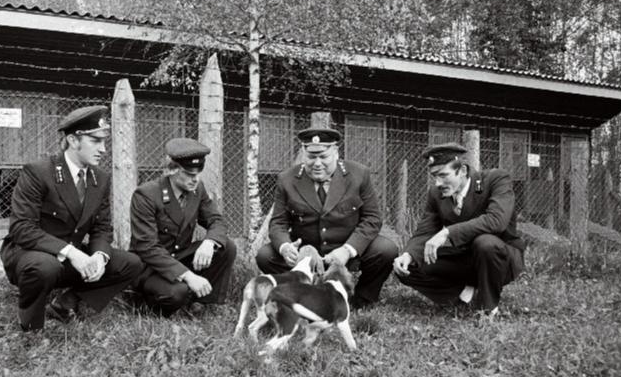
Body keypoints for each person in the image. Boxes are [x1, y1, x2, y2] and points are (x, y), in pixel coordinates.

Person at [1, 105, 144, 332]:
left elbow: (102, 228)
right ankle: (31, 328)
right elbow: (21, 229)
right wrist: (73, 253)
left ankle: (66, 303)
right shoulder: (38, 172)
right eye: (96, 142)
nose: (104, 149)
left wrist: (99, 256)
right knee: (44, 267)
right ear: (73, 141)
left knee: (131, 263)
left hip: (70, 260)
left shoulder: (100, 178)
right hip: (31, 255)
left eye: (104, 142)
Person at [255, 128, 398, 309]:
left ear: (336, 153)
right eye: (311, 157)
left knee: (386, 250)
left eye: (323, 156)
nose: (317, 163)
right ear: (303, 154)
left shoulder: (359, 174)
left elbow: (372, 218)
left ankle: (360, 300)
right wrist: (285, 248)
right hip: (306, 252)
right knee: (265, 256)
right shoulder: (287, 179)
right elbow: (278, 223)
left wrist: (347, 250)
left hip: (346, 248)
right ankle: (303, 297)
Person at [392, 142, 526, 313]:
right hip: (465, 258)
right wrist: (408, 255)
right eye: (434, 176)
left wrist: (447, 232)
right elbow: (425, 231)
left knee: (485, 243)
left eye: (443, 175)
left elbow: (496, 220)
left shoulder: (496, 180)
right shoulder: (436, 194)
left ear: (462, 171)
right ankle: (461, 297)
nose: (438, 182)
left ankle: (488, 308)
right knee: (410, 265)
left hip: (500, 258)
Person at [129, 137, 237, 316]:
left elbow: (216, 220)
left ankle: (200, 303)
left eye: (198, 173)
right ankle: (143, 304)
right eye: (189, 174)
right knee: (177, 293)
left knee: (225, 246)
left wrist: (209, 242)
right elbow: (147, 248)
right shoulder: (146, 195)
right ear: (171, 170)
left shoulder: (197, 189)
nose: (195, 179)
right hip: (151, 267)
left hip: (179, 256)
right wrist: (188, 275)